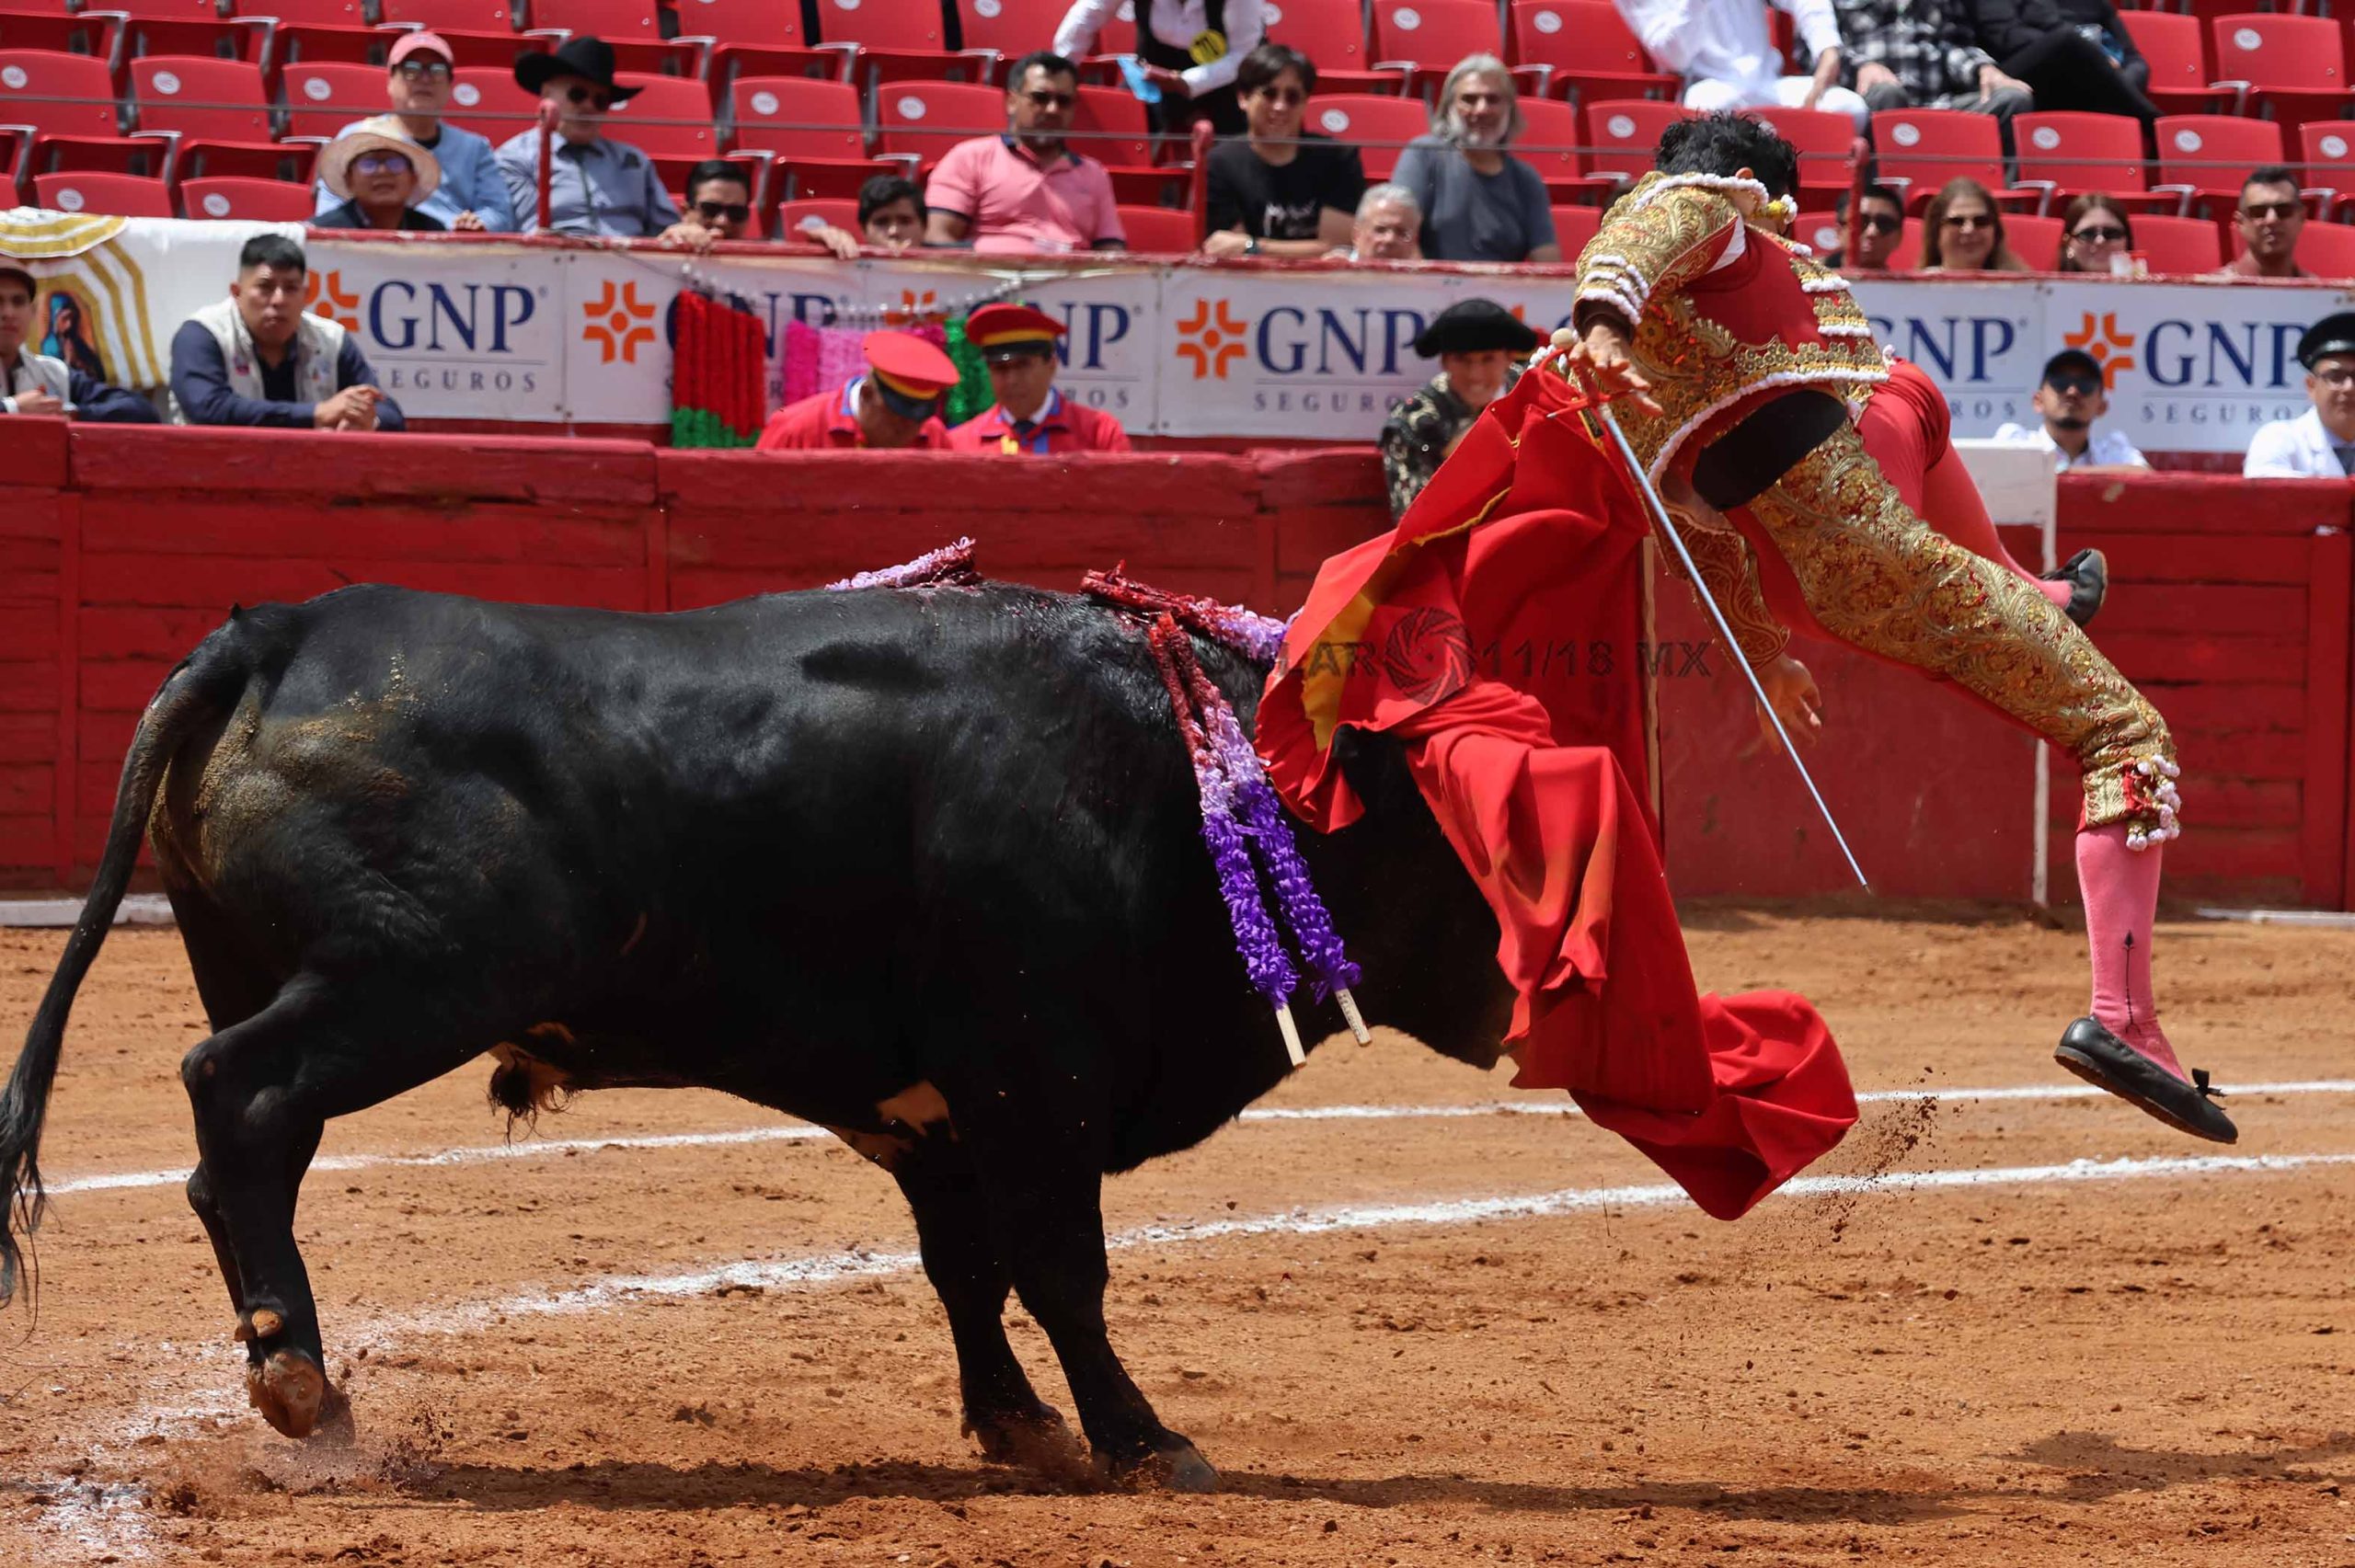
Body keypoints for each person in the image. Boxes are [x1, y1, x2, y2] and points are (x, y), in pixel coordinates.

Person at [1554, 112, 2219, 1140]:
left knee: (1991, 652)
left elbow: (1709, 534)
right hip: (1863, 538)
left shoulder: (1640, 388)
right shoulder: (1708, 216)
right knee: (2123, 734)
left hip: (1804, 579)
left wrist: (1767, 653)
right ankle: (2122, 1019)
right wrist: (1601, 320)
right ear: (1749, 188)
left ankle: (2021, 592)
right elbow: (1644, 232)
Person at [168, 235, 403, 431]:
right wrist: (316, 413)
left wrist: (366, 420)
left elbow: (389, 413)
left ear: (306, 295)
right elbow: (209, 408)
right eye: (265, 288)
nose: (279, 300)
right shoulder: (202, 334)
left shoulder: (331, 339)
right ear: (237, 292)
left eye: (291, 288)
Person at [925, 52, 1126, 256]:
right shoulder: (970, 158)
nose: (1052, 109)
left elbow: (1112, 252)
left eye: (1063, 101)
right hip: (992, 282)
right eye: (1040, 98)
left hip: (1070, 283)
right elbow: (939, 238)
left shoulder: (1094, 174)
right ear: (1012, 102)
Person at [309, 32, 511, 232]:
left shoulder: (475, 148)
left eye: (437, 70)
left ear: (451, 85)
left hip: (452, 250)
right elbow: (330, 210)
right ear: (390, 81)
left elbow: (499, 213)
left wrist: (475, 225)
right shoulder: (357, 137)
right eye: (411, 69)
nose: (425, 79)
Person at [494, 37, 682, 240]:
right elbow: (521, 230)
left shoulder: (634, 161)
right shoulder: (516, 158)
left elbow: (668, 230)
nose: (589, 106)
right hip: (553, 264)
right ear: (547, 93)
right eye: (577, 94)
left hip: (632, 268)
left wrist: (681, 232)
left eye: (600, 100)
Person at [1389, 56, 1561, 264]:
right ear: (1448, 107)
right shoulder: (1424, 155)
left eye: (1493, 99)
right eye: (1469, 99)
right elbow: (1396, 230)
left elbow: (1547, 258)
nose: (1481, 109)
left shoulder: (1526, 179)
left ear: (1510, 109)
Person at [1378, 298, 1538, 520]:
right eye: (1462, 360)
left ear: (1509, 359)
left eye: (1488, 359)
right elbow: (1413, 522)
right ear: (1444, 362)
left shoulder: (1535, 397)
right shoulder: (1413, 421)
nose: (1475, 374)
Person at [1201, 44, 1364, 259]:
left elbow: (1336, 248)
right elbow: (1231, 252)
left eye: (1292, 97)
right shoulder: (1220, 163)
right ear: (1243, 98)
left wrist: (1254, 246)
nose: (1280, 106)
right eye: (1269, 94)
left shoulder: (1338, 157)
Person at [1614, 0, 1869, 132]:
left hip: (1768, 85)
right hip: (1709, 87)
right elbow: (1673, 57)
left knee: (1850, 108)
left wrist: (1827, 49)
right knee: (1707, 109)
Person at [1052, 0, 1266, 137]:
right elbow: (1088, 14)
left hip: (1223, 82)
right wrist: (1061, 72)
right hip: (1149, 78)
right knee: (1113, 134)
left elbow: (1243, 54)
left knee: (1235, 156)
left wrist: (1185, 82)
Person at [947, 303, 1132, 453]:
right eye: (1000, 369)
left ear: (1051, 364)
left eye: (1022, 366)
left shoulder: (1099, 435)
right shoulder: (961, 444)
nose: (1012, 380)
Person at [1832, 0, 2033, 123]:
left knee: (2013, 99)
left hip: (1936, 104)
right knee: (1888, 93)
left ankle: (1986, 193)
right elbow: (1817, 52)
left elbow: (1953, 45)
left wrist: (1983, 69)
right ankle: (1877, 192)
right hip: (1871, 99)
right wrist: (1861, 66)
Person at [0, 265, 156, 422]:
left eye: (18, 302)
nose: (9, 313)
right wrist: (11, 409)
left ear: (32, 312)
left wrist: (69, 413)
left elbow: (141, 411)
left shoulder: (54, 372)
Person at [756, 330, 957, 451]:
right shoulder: (795, 429)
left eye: (918, 421)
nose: (909, 432)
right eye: (898, 419)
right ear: (867, 394)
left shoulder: (933, 435)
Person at [1965, 0, 2155, 121]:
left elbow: (2135, 60)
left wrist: (2112, 79)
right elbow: (2006, 37)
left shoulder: (2096, 5)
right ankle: (2153, 122)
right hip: (2016, 77)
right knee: (2067, 42)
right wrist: (2093, 59)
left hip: (2092, 85)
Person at [1993, 349, 2150, 472]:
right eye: (2061, 382)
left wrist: (2066, 474)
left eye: (2085, 385)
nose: (2072, 392)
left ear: (2102, 407)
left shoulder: (2113, 450)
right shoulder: (2017, 441)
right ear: (2038, 401)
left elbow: (2144, 476)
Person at [2244, 313, 2355, 477]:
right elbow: (2267, 495)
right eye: (2335, 376)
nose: (2349, 388)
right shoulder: (2277, 439)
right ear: (2311, 386)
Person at [311, 127, 446, 233]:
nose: (383, 171)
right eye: (368, 164)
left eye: (395, 163)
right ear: (349, 179)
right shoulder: (321, 235)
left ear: (413, 179)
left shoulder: (433, 232)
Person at [801, 175, 929, 259]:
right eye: (881, 222)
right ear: (863, 230)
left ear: (924, 227)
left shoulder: (948, 270)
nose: (893, 231)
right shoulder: (847, 268)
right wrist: (824, 237)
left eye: (905, 221)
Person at [2216, 167, 2309, 280]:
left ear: (2302, 218)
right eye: (2259, 211)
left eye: (2283, 210)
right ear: (2240, 222)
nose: (2271, 219)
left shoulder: (2319, 293)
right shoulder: (2211, 292)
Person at [1920, 177, 2032, 271]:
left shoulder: (2021, 288)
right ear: (1936, 231)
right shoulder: (1916, 289)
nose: (1969, 229)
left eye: (1981, 221)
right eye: (1957, 221)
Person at [663, 160, 755, 248]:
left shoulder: (760, 260)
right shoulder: (668, 248)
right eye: (711, 209)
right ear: (685, 212)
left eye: (736, 212)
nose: (722, 222)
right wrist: (668, 244)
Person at [1824, 183, 1903, 269]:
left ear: (1899, 236)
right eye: (1861, 222)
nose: (1872, 232)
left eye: (1884, 223)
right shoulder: (1811, 277)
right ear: (1839, 231)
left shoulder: (1909, 281)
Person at [2056, 193, 2132, 274]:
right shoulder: (2046, 285)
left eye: (2111, 233)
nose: (2100, 241)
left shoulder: (2145, 286)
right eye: (2088, 234)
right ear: (2067, 241)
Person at [1344, 184, 1425, 261]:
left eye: (1402, 233)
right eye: (1380, 230)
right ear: (1356, 235)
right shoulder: (1335, 273)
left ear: (1413, 243)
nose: (1390, 239)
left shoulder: (1422, 275)